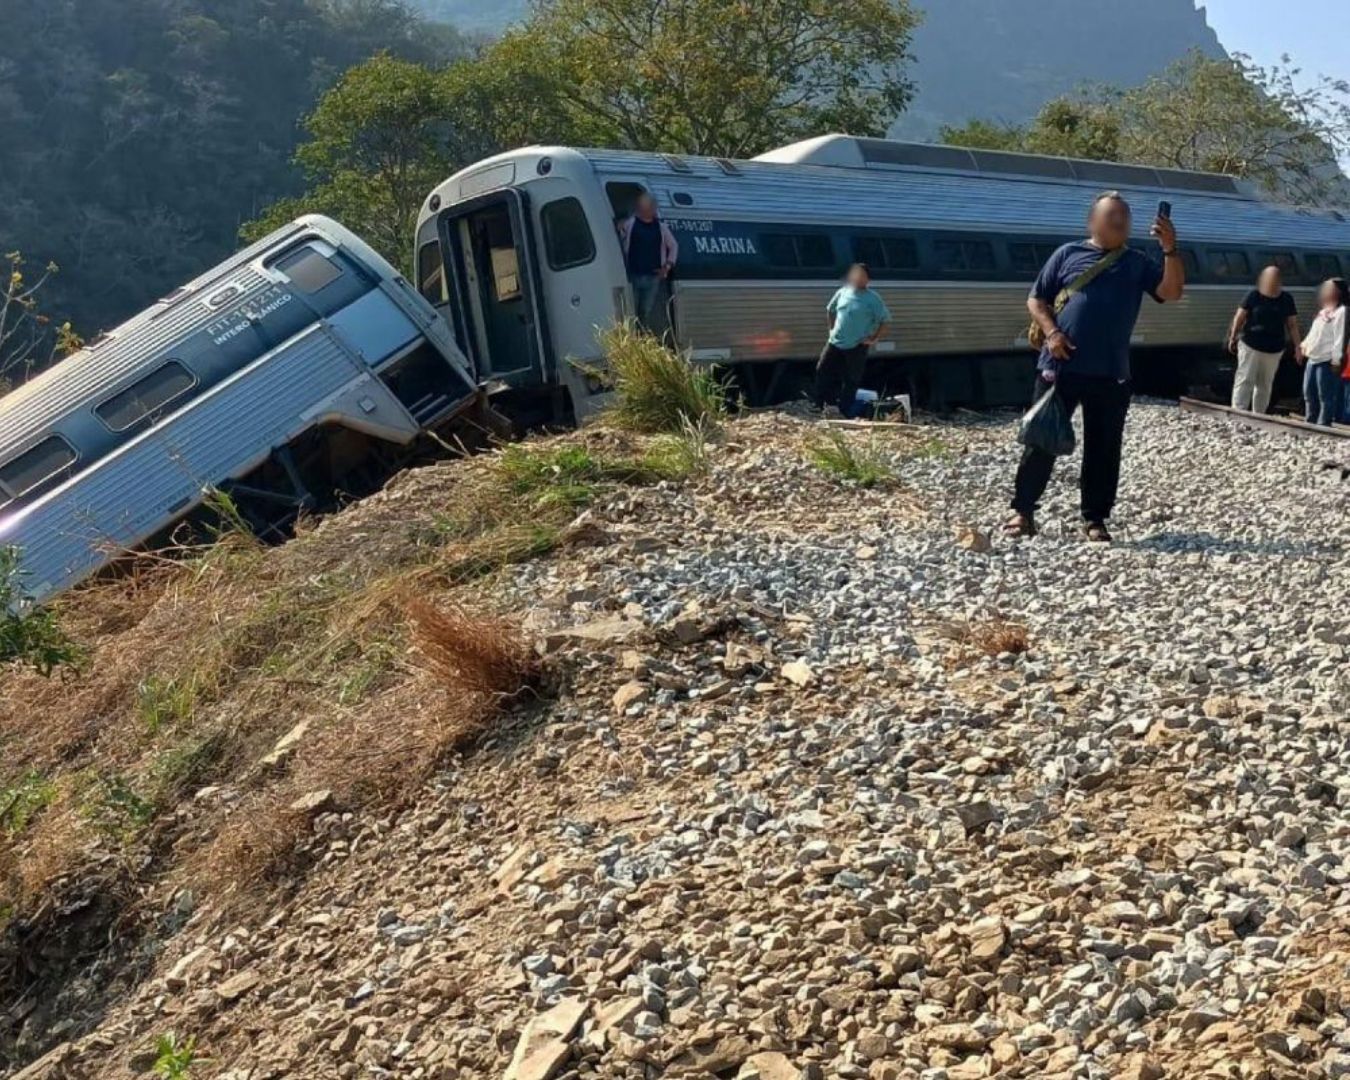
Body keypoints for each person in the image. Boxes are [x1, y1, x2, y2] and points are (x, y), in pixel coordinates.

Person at [1006, 191, 1184, 542]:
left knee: (1104, 448)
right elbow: (1036, 298)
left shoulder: (1137, 261)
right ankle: (1022, 511)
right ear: (1092, 221)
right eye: (1112, 214)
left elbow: (1172, 292)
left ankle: (1095, 519)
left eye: (1125, 215)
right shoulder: (1067, 254)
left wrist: (1170, 250)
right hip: (1060, 366)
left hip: (1111, 371)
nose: (1120, 220)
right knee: (1041, 440)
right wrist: (1052, 332)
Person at [813, 263, 891, 417]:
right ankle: (824, 404)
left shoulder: (873, 299)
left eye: (861, 275)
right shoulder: (842, 292)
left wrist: (874, 338)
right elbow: (830, 309)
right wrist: (831, 329)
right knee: (823, 370)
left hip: (857, 345)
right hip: (835, 342)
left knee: (851, 378)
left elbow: (885, 320)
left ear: (868, 279)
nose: (857, 277)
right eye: (855, 274)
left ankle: (844, 410)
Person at [1227, 265, 1300, 414]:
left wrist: (1298, 346)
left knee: (1265, 383)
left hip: (1274, 348)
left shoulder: (1286, 299)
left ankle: (1259, 414)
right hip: (1250, 344)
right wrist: (1233, 336)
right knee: (1245, 378)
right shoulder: (1253, 295)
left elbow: (1292, 324)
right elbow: (1239, 317)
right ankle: (1238, 412)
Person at [617, 194, 679, 336]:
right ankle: (633, 339)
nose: (647, 210)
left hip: (653, 277)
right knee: (631, 310)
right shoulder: (631, 224)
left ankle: (642, 338)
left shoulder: (661, 228)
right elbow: (620, 233)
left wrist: (667, 267)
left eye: (649, 207)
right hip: (633, 275)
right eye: (644, 207)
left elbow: (674, 246)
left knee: (645, 311)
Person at [1298, 278, 1347, 426]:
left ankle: (1323, 424)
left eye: (1328, 288)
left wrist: (1336, 360)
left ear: (1337, 292)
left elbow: (1340, 337)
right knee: (1309, 392)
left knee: (1325, 395)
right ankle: (1310, 420)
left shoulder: (1342, 312)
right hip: (1313, 357)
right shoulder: (1323, 312)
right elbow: (1314, 332)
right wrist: (1302, 346)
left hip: (1327, 359)